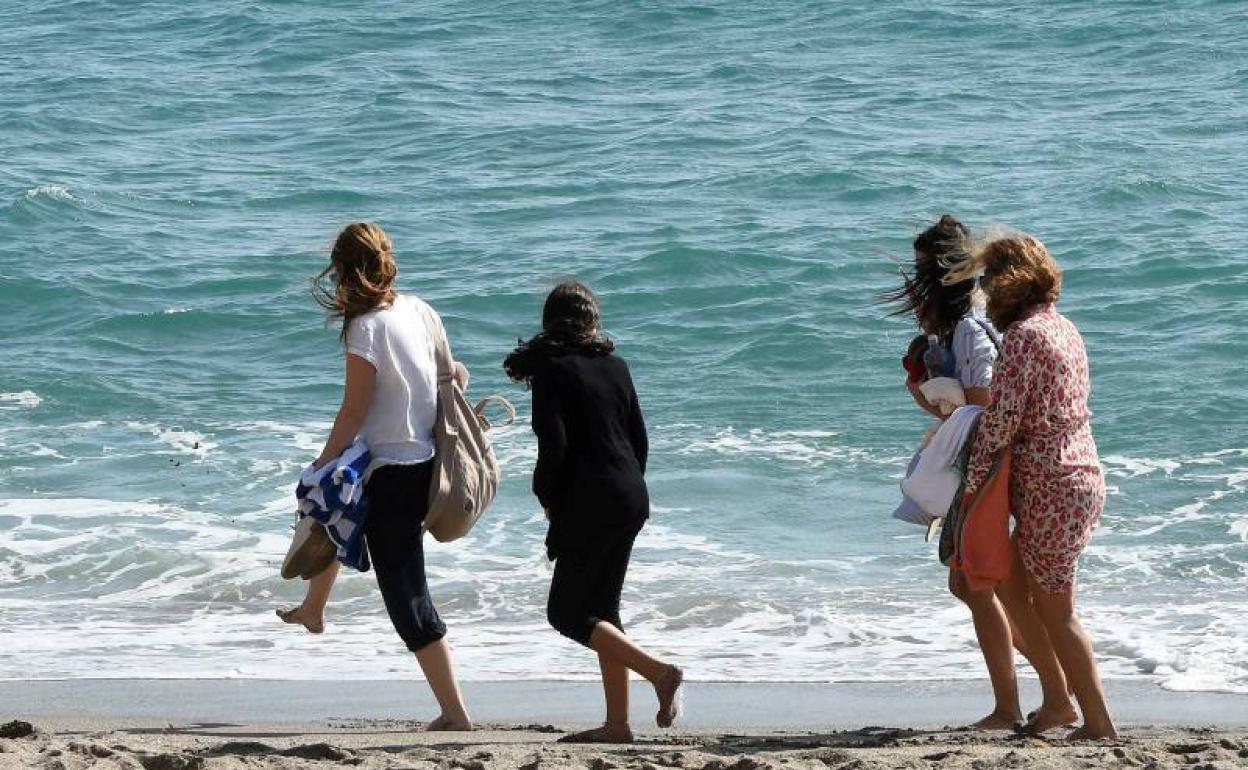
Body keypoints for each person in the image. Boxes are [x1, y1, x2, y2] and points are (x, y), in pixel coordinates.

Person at [278, 222, 473, 731]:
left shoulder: (366, 329)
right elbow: (456, 377)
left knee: (408, 597)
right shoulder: (420, 310)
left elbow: (352, 411)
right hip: (423, 465)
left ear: (343, 272)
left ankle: (455, 714)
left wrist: (321, 463)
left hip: (393, 477)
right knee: (333, 512)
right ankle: (314, 608)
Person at [949, 233, 1115, 739]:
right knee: (1013, 588)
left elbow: (1004, 419)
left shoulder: (1023, 337)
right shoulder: (1063, 326)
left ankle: (1098, 722)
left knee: (1057, 611)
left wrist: (972, 479)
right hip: (1077, 471)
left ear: (1005, 281)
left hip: (1051, 481)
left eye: (988, 279)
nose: (985, 290)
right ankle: (1058, 702)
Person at [504, 280, 683, 744]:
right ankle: (618, 724)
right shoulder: (617, 366)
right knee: (603, 610)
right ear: (592, 323)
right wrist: (623, 488)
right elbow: (639, 441)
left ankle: (658, 673)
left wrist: (548, 498)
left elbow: (554, 448)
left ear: (550, 325)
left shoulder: (551, 371)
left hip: (591, 499)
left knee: (565, 613)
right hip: (630, 495)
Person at [887, 215, 1031, 730]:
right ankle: (1057, 682)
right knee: (971, 584)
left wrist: (931, 397)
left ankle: (1015, 704)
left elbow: (983, 406)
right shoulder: (957, 327)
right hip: (981, 461)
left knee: (975, 584)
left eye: (922, 273)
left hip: (988, 467)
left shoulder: (970, 329)